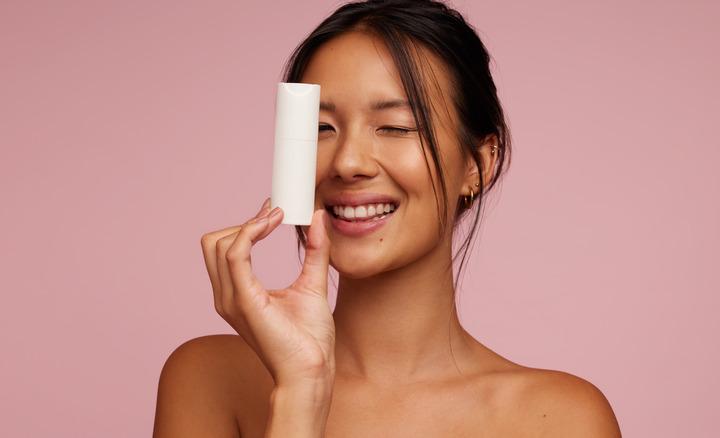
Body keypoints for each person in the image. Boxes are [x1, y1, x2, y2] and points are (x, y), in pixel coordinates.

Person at [153, 0, 621, 436]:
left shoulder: (560, 418)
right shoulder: (208, 378)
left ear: (478, 165)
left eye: (395, 127)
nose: (347, 162)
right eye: (320, 128)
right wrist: (300, 390)